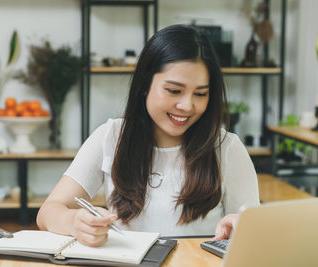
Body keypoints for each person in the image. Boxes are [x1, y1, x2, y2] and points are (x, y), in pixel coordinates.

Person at [37, 24, 259, 247]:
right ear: (144, 84)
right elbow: (48, 211)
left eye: (200, 94)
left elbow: (255, 237)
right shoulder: (111, 137)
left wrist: (243, 228)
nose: (187, 105)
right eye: (174, 91)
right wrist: (74, 222)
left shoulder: (227, 149)